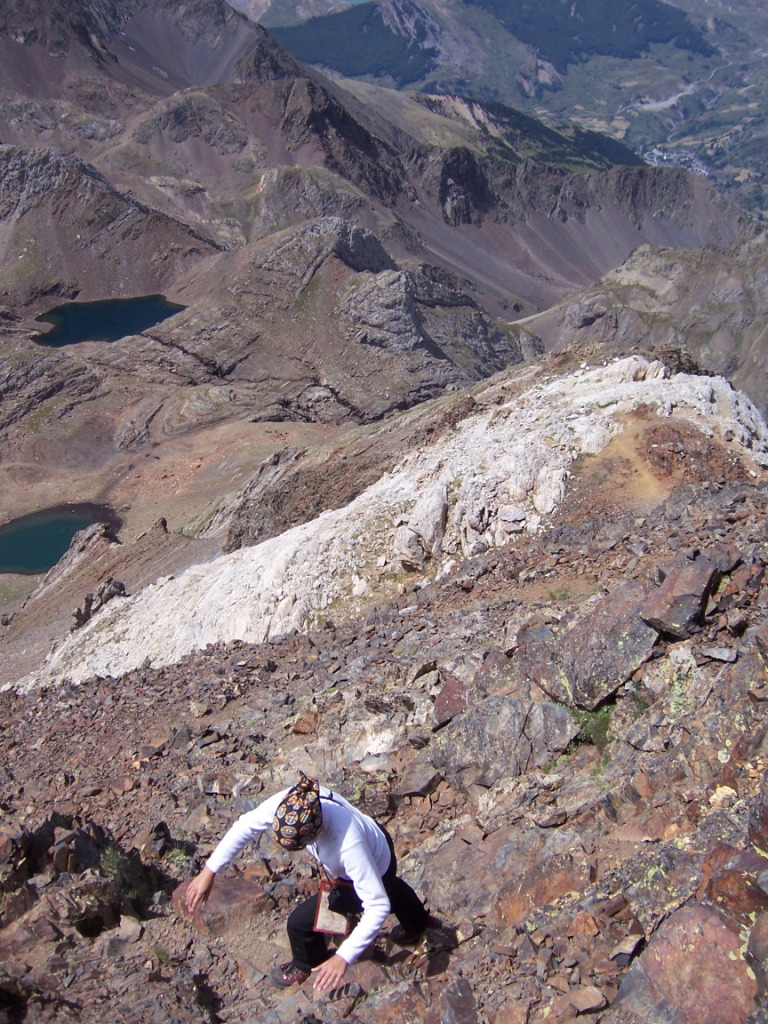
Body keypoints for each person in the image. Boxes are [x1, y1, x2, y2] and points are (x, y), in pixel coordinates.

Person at [184, 771, 437, 992]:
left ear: (316, 832)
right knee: (390, 886)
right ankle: (417, 922)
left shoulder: (346, 843)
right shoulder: (296, 802)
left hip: (370, 862)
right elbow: (245, 826)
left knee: (299, 924)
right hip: (378, 844)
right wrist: (209, 871)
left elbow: (378, 905)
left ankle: (309, 962)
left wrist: (343, 957)